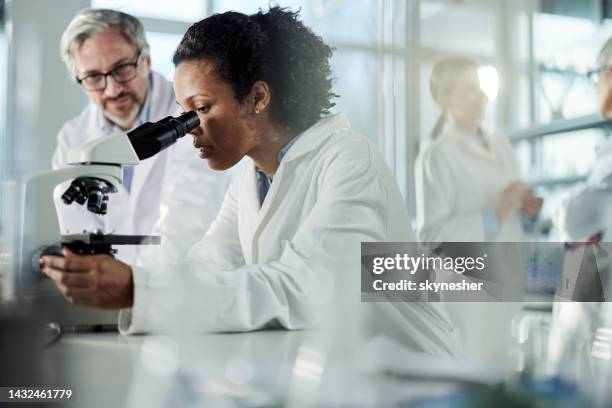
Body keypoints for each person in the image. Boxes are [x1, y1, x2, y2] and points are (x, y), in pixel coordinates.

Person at [41, 7, 461, 355]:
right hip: (340, 370)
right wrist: (129, 291)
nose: (190, 128)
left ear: (258, 97)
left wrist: (138, 288)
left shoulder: (350, 160)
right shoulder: (250, 178)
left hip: (419, 375)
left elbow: (303, 287)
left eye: (200, 109)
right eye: (184, 111)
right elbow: (207, 269)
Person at [52, 9, 230, 265]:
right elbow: (78, 228)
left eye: (122, 68)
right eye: (93, 77)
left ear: (146, 60)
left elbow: (188, 214)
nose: (113, 90)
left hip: (182, 279)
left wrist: (137, 286)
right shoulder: (73, 137)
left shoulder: (189, 114)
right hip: (111, 290)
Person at [415, 57, 542, 243]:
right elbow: (431, 239)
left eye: (480, 86)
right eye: (470, 88)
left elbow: (513, 221)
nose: (482, 95)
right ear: (444, 99)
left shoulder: (501, 144)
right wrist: (494, 216)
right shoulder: (436, 155)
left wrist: (527, 213)